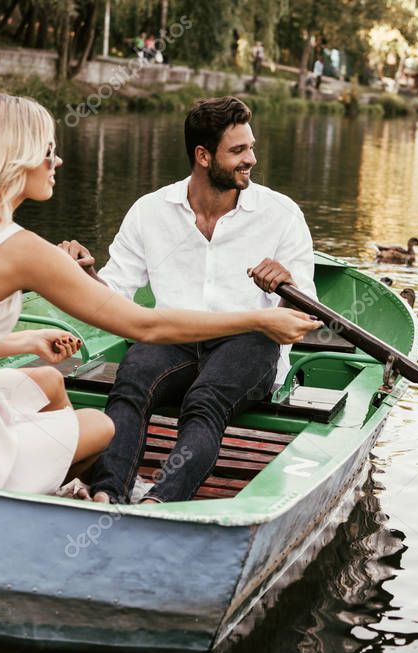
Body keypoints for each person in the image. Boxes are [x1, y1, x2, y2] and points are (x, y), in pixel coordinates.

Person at [0, 93, 319, 495]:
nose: (58, 161)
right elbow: (140, 322)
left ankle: (116, 491)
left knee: (51, 381)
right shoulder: (25, 248)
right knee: (106, 421)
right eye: (48, 150)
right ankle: (90, 491)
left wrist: (27, 340)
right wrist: (257, 319)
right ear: (17, 159)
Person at [60, 96, 317, 505]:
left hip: (251, 339)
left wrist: (288, 286)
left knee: (203, 401)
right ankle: (106, 494)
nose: (251, 158)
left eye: (250, 147)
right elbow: (112, 299)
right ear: (202, 155)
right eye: (238, 150)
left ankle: (158, 502)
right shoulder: (150, 211)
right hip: (173, 337)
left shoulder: (281, 214)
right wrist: (85, 275)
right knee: (130, 383)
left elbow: (304, 318)